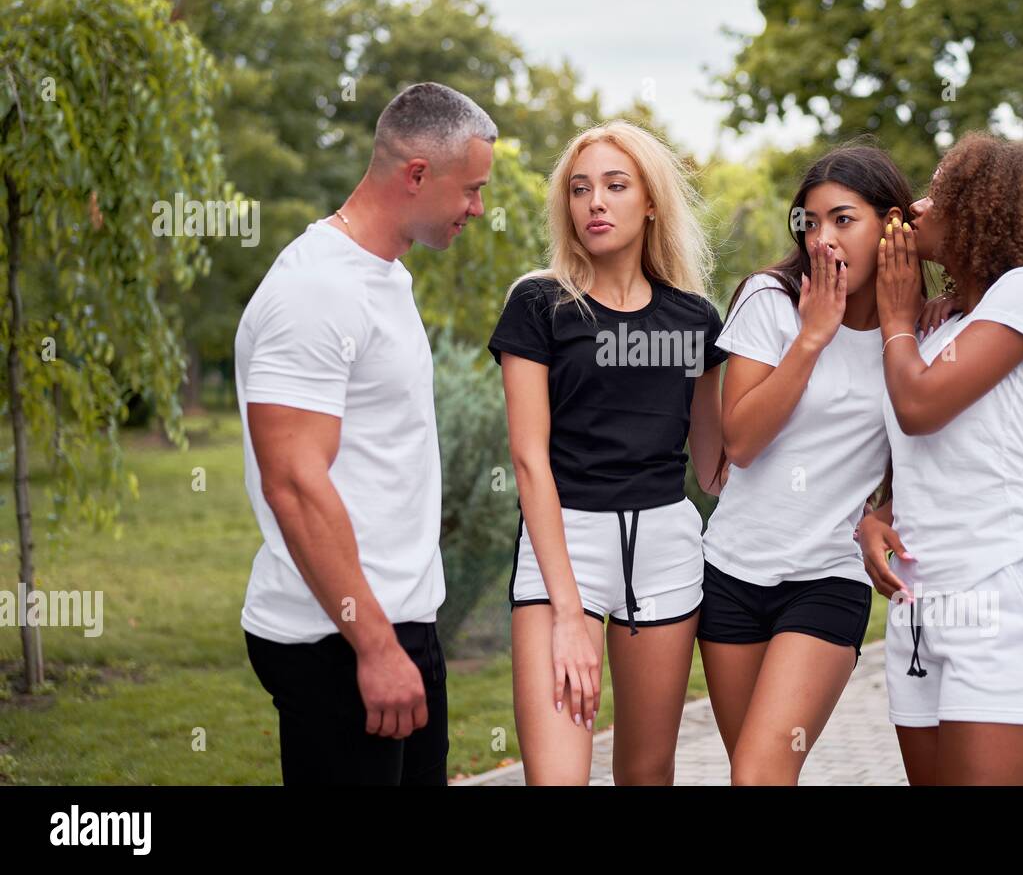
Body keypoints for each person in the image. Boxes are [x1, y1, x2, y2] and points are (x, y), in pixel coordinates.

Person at [236, 82, 495, 785]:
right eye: (471, 189)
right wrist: (375, 647)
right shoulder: (318, 289)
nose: (478, 207)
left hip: (396, 625)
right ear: (417, 174)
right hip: (339, 638)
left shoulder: (381, 276)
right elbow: (293, 482)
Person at [487, 120, 727, 785]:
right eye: (580, 188)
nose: (595, 201)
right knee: (558, 779)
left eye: (615, 186)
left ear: (650, 202)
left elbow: (713, 466)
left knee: (648, 773)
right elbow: (529, 461)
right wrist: (567, 613)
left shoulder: (695, 319)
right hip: (563, 547)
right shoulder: (539, 305)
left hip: (666, 551)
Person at [863, 131, 1023, 785]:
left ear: (983, 209)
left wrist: (896, 319)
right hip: (917, 605)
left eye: (942, 192)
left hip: (997, 592)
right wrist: (880, 512)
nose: (920, 205)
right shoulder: (945, 323)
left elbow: (920, 406)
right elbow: (939, 449)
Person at [698, 145, 925, 785]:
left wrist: (885, 512)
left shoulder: (909, 332)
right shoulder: (768, 300)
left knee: (760, 773)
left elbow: (931, 450)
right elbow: (740, 441)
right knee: (754, 772)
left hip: (826, 579)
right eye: (812, 223)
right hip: (731, 575)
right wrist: (811, 337)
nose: (823, 239)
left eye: (843, 220)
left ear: (892, 225)